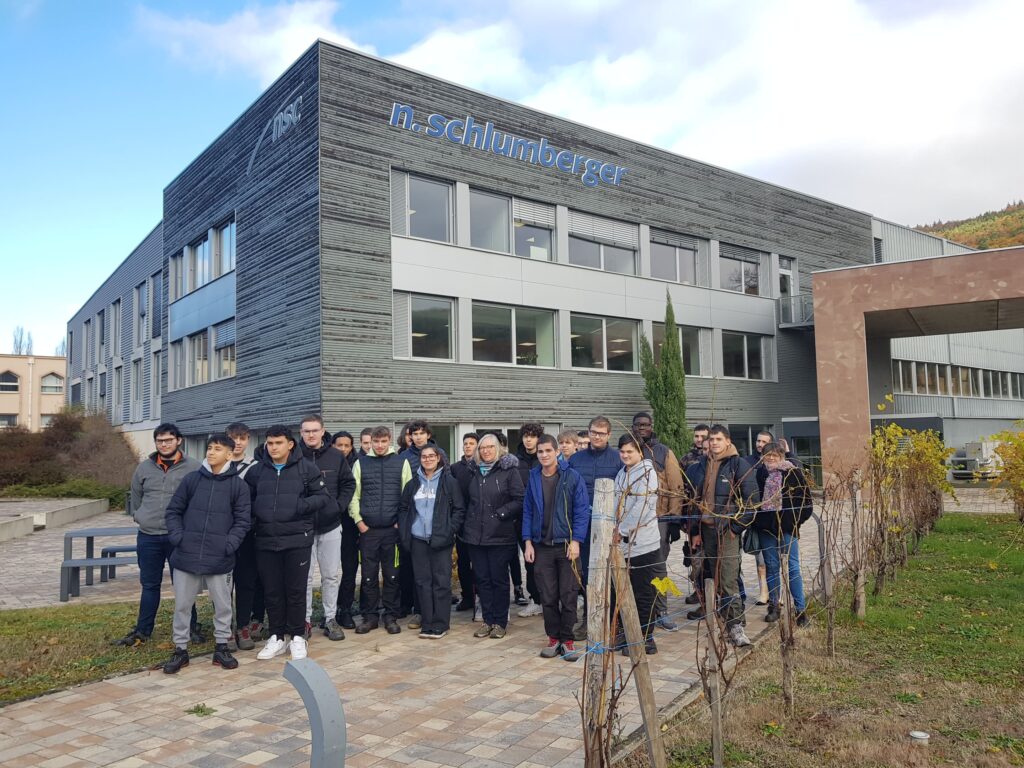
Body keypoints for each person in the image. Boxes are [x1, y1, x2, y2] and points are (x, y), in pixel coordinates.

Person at [162, 433, 251, 674]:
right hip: (186, 555)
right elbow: (173, 512)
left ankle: (221, 647)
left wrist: (228, 544)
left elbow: (243, 521)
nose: (211, 452)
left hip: (220, 558)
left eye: (217, 449)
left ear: (230, 454)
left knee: (222, 606)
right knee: (182, 605)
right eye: (209, 448)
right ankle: (180, 650)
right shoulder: (192, 480)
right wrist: (178, 538)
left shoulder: (238, 486)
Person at [245, 426, 332, 661]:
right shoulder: (257, 471)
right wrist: (257, 517)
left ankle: (296, 636)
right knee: (272, 591)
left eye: (278, 443)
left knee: (295, 591)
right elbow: (246, 501)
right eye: (270, 443)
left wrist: (300, 507)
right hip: (265, 540)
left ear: (290, 444)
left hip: (297, 539)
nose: (273, 448)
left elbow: (322, 497)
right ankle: (276, 636)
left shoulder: (306, 468)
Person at [115, 424, 201, 647]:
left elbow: (198, 499)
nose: (164, 444)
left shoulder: (193, 467)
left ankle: (191, 628)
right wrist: (141, 517)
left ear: (178, 440)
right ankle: (143, 631)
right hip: (149, 537)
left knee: (184, 585)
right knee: (149, 585)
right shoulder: (144, 468)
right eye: (160, 441)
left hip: (178, 537)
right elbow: (136, 497)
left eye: (168, 440)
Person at [685, 425, 759, 647]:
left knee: (728, 579)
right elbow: (695, 502)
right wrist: (696, 531)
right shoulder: (702, 465)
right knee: (709, 577)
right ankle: (716, 616)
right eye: (712, 439)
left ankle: (736, 626)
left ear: (727, 441)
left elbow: (751, 502)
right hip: (706, 530)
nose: (714, 443)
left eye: (718, 439)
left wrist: (736, 528)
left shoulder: (738, 465)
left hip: (727, 531)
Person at [522, 435, 589, 661]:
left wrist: (577, 541)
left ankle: (567, 641)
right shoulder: (533, 477)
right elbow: (528, 511)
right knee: (548, 596)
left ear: (557, 452)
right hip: (542, 546)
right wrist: (528, 541)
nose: (543, 455)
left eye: (548, 451)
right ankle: (553, 638)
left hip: (566, 546)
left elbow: (581, 511)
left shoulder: (571, 477)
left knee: (568, 595)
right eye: (540, 452)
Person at [349, 425, 412, 635]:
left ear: (389, 440)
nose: (379, 445)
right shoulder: (360, 463)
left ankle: (391, 616)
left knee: (392, 575)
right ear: (370, 442)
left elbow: (408, 494)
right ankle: (370, 616)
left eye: (383, 441)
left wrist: (400, 522)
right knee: (368, 576)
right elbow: (354, 495)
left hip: (392, 531)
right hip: (368, 531)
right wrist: (359, 522)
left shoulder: (401, 462)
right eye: (376, 442)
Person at [299, 415, 356, 642]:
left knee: (331, 575)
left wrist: (338, 506)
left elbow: (348, 483)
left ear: (323, 431)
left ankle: (330, 618)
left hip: (330, 525)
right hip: (302, 527)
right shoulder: (295, 456)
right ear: (301, 433)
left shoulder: (335, 456)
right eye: (306, 431)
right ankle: (304, 621)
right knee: (303, 578)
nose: (311, 435)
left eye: (315, 430)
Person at [398, 444, 465, 638]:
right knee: (422, 582)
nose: (427, 459)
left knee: (441, 582)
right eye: (424, 456)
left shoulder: (448, 482)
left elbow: (459, 509)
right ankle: (427, 622)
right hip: (418, 539)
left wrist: (449, 530)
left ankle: (441, 624)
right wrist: (406, 531)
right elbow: (403, 509)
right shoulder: (413, 484)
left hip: (440, 540)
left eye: (431, 456)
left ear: (438, 458)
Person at [462, 433, 524, 639]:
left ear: (498, 449)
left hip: (500, 534)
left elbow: (519, 499)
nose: (486, 451)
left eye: (490, 447)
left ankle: (500, 621)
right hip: (476, 537)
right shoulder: (474, 472)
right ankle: (487, 620)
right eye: (482, 448)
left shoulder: (509, 471)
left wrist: (500, 514)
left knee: (498, 579)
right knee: (482, 580)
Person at [568, 416, 624, 640]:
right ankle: (589, 619)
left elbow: (623, 494)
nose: (596, 436)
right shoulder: (576, 460)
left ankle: (613, 622)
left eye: (601, 433)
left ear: (609, 435)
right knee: (587, 574)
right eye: (593, 432)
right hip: (583, 525)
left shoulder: (618, 459)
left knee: (611, 573)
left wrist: (620, 526)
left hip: (610, 526)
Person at [631, 412, 685, 632]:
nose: (642, 428)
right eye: (638, 425)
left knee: (658, 566)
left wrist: (673, 519)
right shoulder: (627, 450)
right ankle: (640, 609)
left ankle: (661, 610)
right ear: (632, 427)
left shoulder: (663, 452)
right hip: (634, 521)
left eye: (646, 424)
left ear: (652, 427)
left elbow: (676, 486)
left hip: (659, 518)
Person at [612, 434, 662, 655]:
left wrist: (620, 530)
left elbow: (643, 508)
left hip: (643, 544)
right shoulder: (621, 474)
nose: (625, 455)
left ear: (640, 453)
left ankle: (645, 636)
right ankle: (625, 632)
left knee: (644, 593)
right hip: (622, 545)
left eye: (629, 451)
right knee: (621, 591)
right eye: (622, 451)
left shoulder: (648, 474)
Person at [397, 420, 449, 627]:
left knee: (439, 579)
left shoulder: (442, 461)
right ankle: (422, 614)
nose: (418, 436)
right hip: (416, 532)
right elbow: (403, 499)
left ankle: (439, 618)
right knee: (419, 577)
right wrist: (404, 527)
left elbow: (453, 501)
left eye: (422, 433)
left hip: (438, 532)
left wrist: (449, 528)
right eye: (414, 433)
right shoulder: (404, 459)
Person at [754, 442, 812, 626]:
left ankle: (800, 609)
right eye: (767, 454)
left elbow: (806, 503)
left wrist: (794, 521)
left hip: (787, 528)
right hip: (766, 528)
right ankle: (774, 606)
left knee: (793, 568)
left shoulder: (792, 473)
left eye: (775, 454)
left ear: (782, 456)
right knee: (771, 567)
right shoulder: (759, 473)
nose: (771, 458)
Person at [226, 422, 265, 650]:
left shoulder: (256, 468)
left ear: (248, 440)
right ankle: (224, 628)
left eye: (242, 438)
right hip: (221, 535)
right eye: (233, 438)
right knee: (221, 585)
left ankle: (243, 625)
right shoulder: (215, 466)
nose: (238, 443)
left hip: (248, 534)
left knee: (246, 581)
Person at [514, 422, 545, 617]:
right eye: (526, 435)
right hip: (521, 517)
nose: (528, 439)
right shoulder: (514, 461)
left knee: (545, 561)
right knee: (529, 560)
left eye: (532, 436)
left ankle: (549, 598)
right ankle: (535, 599)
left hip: (543, 518)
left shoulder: (545, 458)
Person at [450, 432, 479, 613]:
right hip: (461, 522)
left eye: (471, 443)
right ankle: (467, 596)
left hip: (478, 522)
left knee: (478, 562)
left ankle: (480, 598)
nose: (468, 446)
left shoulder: (482, 467)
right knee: (463, 563)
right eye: (465, 443)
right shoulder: (454, 468)